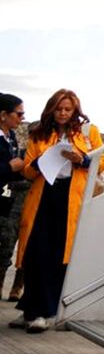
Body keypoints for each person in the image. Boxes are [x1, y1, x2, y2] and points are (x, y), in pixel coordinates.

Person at [12, 89, 104, 333]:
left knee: (56, 254)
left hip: (69, 196)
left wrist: (81, 159)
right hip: (44, 194)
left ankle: (43, 312)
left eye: (68, 109)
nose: (63, 113)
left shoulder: (87, 132)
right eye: (59, 109)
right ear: (51, 109)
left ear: (75, 111)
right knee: (35, 252)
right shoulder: (39, 133)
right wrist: (42, 160)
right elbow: (28, 171)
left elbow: (102, 160)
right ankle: (30, 308)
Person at [0, 93, 28, 302]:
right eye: (19, 113)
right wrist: (8, 167)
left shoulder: (10, 138)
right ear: (3, 115)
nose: (22, 118)